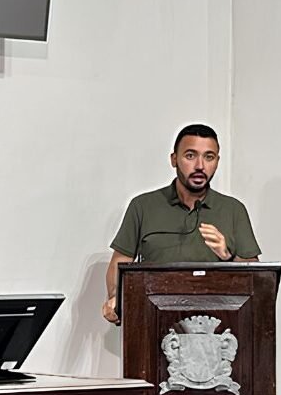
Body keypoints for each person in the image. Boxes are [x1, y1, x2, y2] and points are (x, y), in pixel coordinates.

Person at [102, 124, 261, 324]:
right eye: (190, 156)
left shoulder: (234, 210)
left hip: (219, 327)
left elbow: (257, 280)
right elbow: (119, 263)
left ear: (217, 162)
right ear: (174, 159)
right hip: (152, 322)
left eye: (209, 157)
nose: (200, 166)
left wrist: (227, 256)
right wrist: (115, 297)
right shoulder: (143, 206)